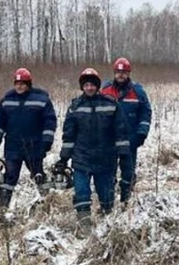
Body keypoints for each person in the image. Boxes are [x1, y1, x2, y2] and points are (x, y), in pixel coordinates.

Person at [54, 67, 131, 227]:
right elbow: (69, 135)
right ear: (82, 87)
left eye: (92, 85)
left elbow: (120, 131)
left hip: (106, 159)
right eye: (86, 85)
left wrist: (123, 153)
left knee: (107, 197)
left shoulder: (111, 104)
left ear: (97, 86)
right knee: (82, 193)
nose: (89, 88)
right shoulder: (75, 106)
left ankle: (107, 225)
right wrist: (63, 158)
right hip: (81, 158)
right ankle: (85, 225)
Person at [0, 68, 58, 210]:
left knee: (38, 175)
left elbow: (50, 120)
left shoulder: (41, 99)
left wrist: (47, 139)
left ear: (28, 84)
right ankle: (2, 209)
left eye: (22, 83)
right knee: (9, 177)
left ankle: (46, 203)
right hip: (13, 146)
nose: (19, 86)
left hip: (34, 145)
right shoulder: (7, 100)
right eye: (17, 83)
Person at [100, 57, 152, 204]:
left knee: (128, 172)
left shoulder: (138, 91)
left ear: (129, 73)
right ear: (114, 73)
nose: (121, 75)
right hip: (109, 139)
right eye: (118, 72)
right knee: (108, 172)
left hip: (130, 139)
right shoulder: (105, 90)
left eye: (124, 72)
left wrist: (142, 132)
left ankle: (126, 200)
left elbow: (145, 112)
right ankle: (108, 202)